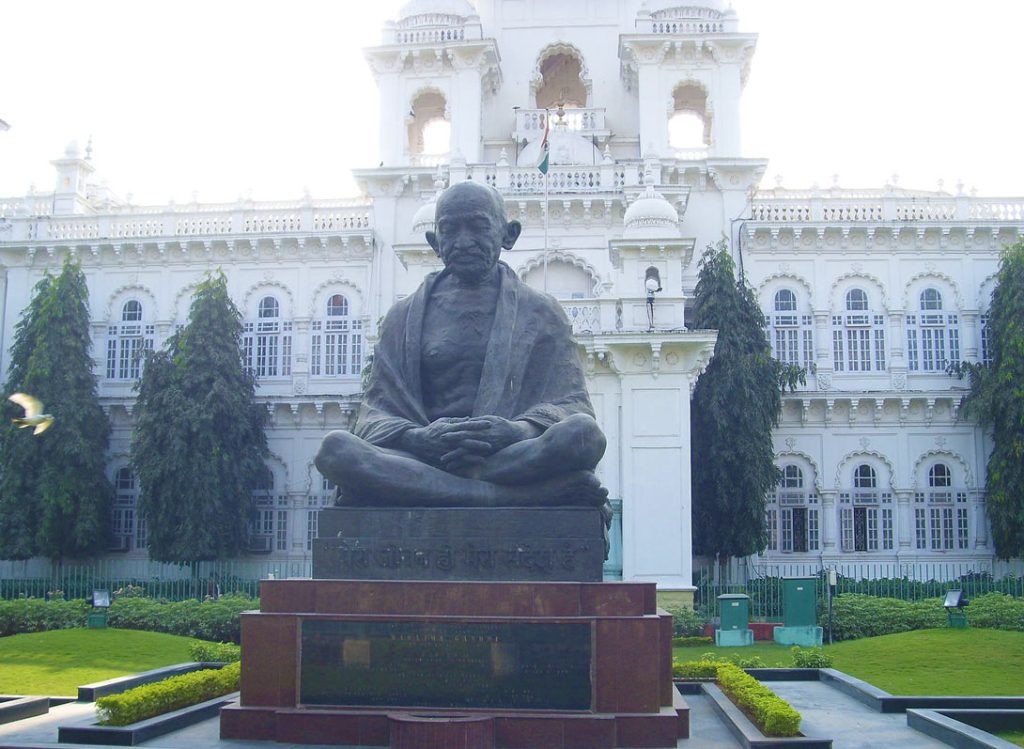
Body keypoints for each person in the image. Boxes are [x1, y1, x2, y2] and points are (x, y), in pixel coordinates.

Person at [315, 181, 607, 509]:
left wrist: (517, 431)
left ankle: (451, 487)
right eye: (449, 230)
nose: (464, 241)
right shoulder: (402, 317)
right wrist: (417, 438)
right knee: (335, 450)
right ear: (435, 243)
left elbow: (571, 405)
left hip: (507, 454)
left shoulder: (541, 312)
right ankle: (506, 496)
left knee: (584, 435)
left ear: (508, 235)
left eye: (479, 227)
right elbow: (375, 414)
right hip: (425, 457)